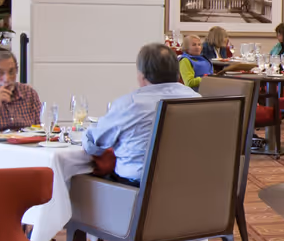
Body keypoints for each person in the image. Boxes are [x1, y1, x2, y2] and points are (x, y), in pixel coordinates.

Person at [81, 43, 200, 183]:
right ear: (177, 72)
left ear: (142, 76)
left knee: (79, 178)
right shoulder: (197, 100)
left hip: (136, 190)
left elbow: (94, 145)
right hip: (190, 185)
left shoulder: (129, 104)